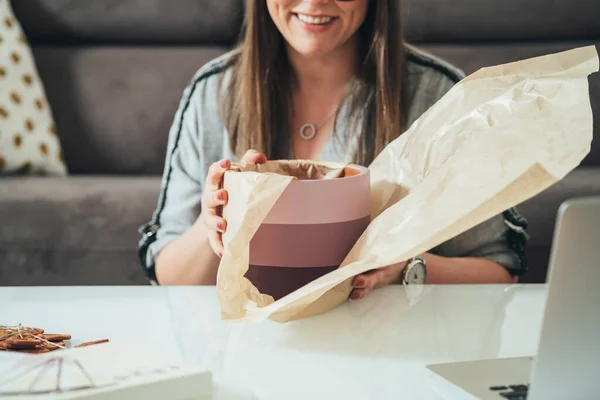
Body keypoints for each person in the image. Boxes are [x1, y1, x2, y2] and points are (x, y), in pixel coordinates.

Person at [138, 0, 529, 300]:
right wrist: (216, 224)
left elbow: (501, 269)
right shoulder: (214, 91)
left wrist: (405, 266)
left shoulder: (440, 97)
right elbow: (168, 275)